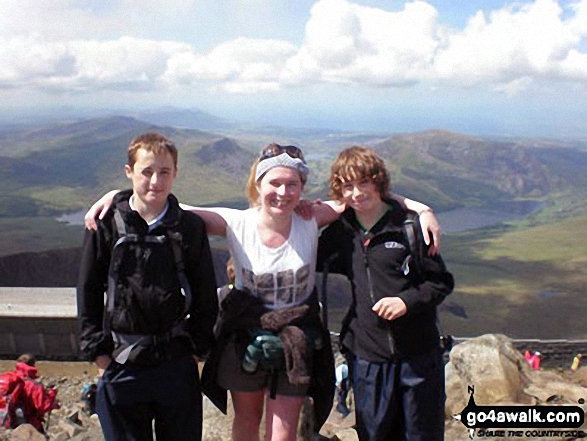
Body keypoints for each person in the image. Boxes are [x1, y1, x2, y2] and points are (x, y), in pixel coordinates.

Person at [85, 142, 441, 441]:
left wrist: (420, 208)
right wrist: (117, 194)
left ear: (302, 188)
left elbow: (364, 195)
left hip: (296, 337)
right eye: (275, 183)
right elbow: (160, 201)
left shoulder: (311, 217)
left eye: (292, 184)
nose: (283, 193)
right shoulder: (235, 223)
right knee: (246, 421)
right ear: (259, 184)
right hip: (245, 334)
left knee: (283, 432)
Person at [77, 133, 218, 441]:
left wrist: (195, 351)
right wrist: (99, 356)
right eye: (146, 171)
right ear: (129, 173)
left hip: (176, 363)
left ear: (175, 174)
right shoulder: (106, 223)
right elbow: (88, 289)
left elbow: (206, 292)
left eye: (164, 172)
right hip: (121, 362)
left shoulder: (189, 228)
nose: (156, 181)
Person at [317, 146, 455, 441]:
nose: (356, 193)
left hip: (418, 356)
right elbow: (300, 251)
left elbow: (440, 282)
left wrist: (405, 302)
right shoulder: (339, 233)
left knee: (423, 435)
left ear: (378, 182)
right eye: (347, 186)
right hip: (368, 359)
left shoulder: (410, 228)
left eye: (363, 183)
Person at [3, 354, 59, 433]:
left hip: (10, 424)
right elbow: (43, 406)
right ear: (33, 365)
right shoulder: (33, 385)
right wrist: (52, 393)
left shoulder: (10, 379)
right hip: (30, 426)